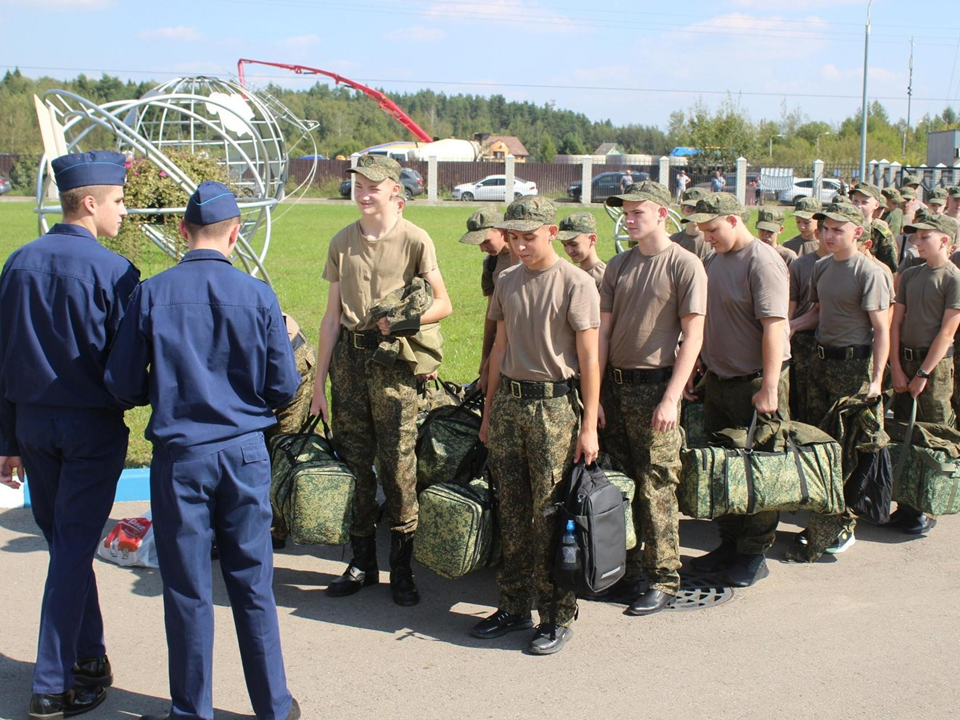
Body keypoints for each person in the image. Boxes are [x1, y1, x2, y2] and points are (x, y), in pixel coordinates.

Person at [104, 182, 302, 720]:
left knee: (188, 591)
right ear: (236, 234)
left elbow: (122, 384)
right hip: (242, 453)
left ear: (183, 233)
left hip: (181, 457)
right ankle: (273, 706)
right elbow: (284, 388)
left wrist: (165, 383)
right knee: (253, 585)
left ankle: (192, 711)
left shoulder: (151, 293)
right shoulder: (258, 294)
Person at [0, 151, 139, 719]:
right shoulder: (116, 273)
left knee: (68, 547)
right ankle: (51, 685)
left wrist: (7, 439)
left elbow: (2, 360)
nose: (125, 211)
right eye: (119, 200)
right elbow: (129, 371)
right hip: (90, 430)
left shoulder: (17, 263)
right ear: (90, 203)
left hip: (34, 427)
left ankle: (89, 657)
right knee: (70, 552)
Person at [311, 154, 452, 605]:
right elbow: (331, 318)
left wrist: (404, 323)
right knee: (355, 461)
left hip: (392, 363)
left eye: (372, 186)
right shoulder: (340, 241)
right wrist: (318, 384)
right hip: (349, 364)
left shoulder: (416, 239)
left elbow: (443, 303)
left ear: (395, 190)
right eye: (357, 184)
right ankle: (362, 562)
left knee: (397, 463)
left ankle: (403, 566)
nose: (363, 192)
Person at [472, 195, 600, 655]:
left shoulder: (576, 282)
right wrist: (488, 414)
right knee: (510, 511)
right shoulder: (506, 280)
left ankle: (557, 615)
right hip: (509, 403)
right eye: (515, 238)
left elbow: (589, 358)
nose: (521, 247)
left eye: (530, 237)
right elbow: (499, 351)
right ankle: (513, 606)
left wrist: (589, 425)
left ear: (551, 232)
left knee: (549, 517)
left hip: (554, 408)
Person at [598, 181, 707, 614]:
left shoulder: (685, 265)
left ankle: (663, 576)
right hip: (616, 387)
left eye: (637, 211)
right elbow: (603, 332)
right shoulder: (618, 266)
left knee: (657, 485)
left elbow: (693, 336)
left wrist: (671, 398)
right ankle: (624, 566)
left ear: (662, 213)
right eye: (625, 212)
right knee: (619, 482)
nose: (628, 218)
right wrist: (597, 393)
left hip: (657, 387)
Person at [688, 192, 790, 588]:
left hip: (752, 384)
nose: (707, 236)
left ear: (733, 220)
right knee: (726, 470)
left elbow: (773, 328)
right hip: (719, 381)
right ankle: (729, 543)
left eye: (712, 229)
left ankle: (754, 552)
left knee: (759, 471)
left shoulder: (762, 261)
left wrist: (769, 386)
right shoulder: (716, 259)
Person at [797, 200, 891, 558]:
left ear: (858, 232)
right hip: (822, 365)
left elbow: (882, 330)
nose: (829, 235)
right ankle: (825, 519)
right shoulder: (822, 268)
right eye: (825, 229)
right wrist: (787, 327)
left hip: (856, 368)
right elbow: (818, 315)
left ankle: (844, 525)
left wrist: (877, 380)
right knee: (824, 446)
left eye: (838, 229)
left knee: (853, 449)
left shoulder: (870, 272)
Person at [890, 212, 960, 536]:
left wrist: (922, 373)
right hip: (905, 364)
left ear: (944, 240)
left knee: (932, 438)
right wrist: (897, 368)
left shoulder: (953, 278)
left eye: (924, 237)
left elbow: (947, 333)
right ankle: (907, 504)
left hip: (933, 368)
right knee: (905, 435)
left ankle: (928, 506)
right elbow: (896, 323)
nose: (916, 242)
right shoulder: (911, 275)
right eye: (915, 236)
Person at [265, 313, 317, 549]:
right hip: (261, 358)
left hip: (291, 361)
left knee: (284, 447)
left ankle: (279, 528)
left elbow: (281, 387)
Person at [458, 208, 515, 391]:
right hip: (502, 341)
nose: (483, 248)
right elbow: (492, 313)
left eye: (486, 241)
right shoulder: (490, 263)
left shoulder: (526, 261)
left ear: (502, 231)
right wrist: (485, 358)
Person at [787, 216, 828, 422]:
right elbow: (792, 303)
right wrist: (788, 328)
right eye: (826, 231)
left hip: (831, 340)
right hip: (803, 336)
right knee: (801, 396)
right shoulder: (801, 264)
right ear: (818, 234)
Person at [849, 183, 898, 274]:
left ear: (876, 205)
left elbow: (890, 268)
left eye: (864, 202)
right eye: (855, 201)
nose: (859, 206)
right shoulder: (844, 227)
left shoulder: (880, 233)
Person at [557, 211, 605, 290]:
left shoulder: (602, 277)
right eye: (564, 245)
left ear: (592, 239)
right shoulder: (574, 273)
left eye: (574, 244)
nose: (569, 251)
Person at [671, 187, 715, 266]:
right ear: (682, 209)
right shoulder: (673, 241)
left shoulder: (713, 240)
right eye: (690, 208)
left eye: (699, 209)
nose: (694, 213)